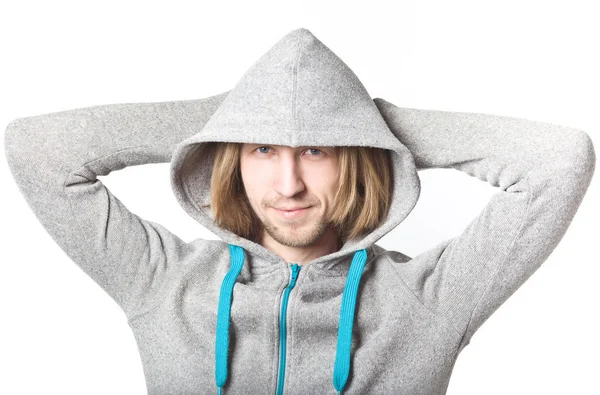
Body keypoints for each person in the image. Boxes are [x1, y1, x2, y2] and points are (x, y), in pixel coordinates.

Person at [4, 27, 595, 395]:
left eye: (316, 149)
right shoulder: (164, 281)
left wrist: (366, 122)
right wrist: (232, 117)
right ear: (232, 158)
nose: (287, 185)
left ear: (357, 158)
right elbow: (38, 148)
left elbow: (559, 160)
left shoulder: (429, 299)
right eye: (262, 149)